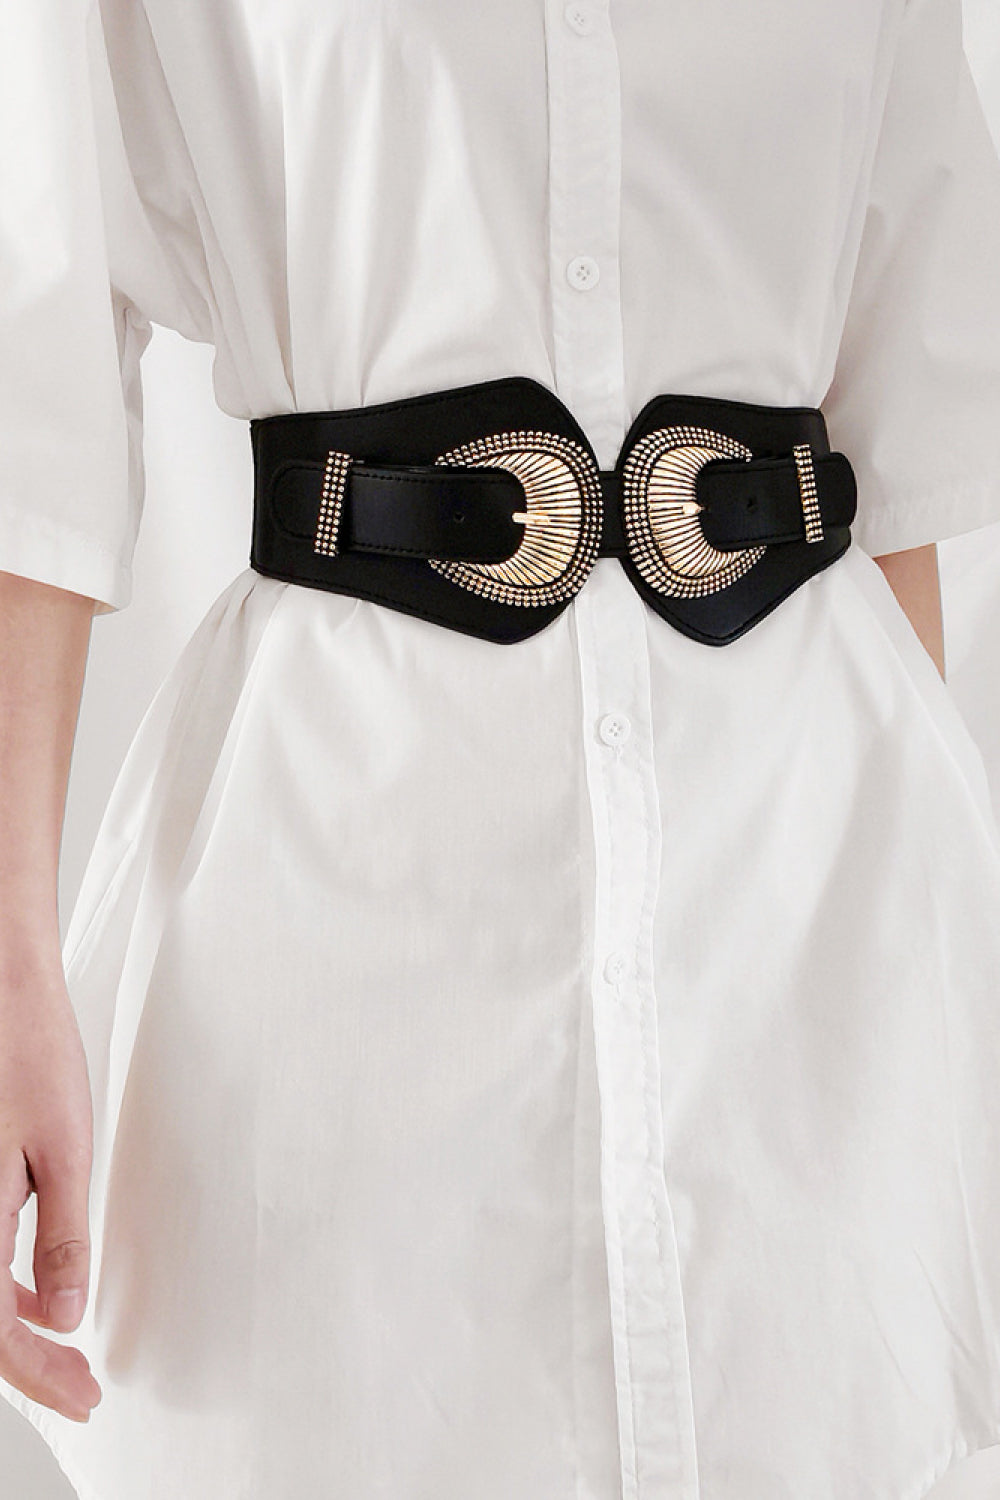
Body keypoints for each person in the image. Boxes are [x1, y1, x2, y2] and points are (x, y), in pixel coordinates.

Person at [2, 1, 1000, 1497]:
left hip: (818, 922)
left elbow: (901, 423)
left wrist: (936, 970)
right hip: (335, 920)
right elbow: (32, 388)